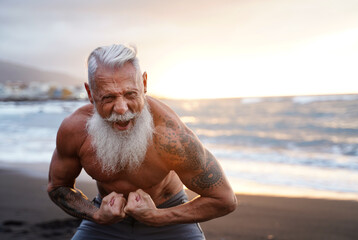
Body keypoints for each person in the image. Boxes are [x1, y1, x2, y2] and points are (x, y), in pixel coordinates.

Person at [47, 44, 237, 240]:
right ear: (90, 92)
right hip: (104, 222)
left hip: (168, 216)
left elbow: (224, 200)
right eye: (108, 97)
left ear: (144, 83)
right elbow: (57, 187)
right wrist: (96, 214)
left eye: (130, 94)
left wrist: (158, 217)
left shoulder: (170, 136)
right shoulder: (75, 130)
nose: (121, 108)